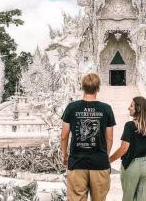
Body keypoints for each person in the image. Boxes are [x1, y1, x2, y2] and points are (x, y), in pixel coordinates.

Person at [60, 73, 116, 201]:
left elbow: (64, 136)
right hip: (100, 163)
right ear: (98, 88)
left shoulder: (71, 107)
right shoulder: (106, 109)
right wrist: (104, 156)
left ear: (82, 87)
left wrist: (64, 156)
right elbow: (110, 139)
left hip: (77, 162)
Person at [109, 96, 146, 201]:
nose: (128, 108)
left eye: (131, 105)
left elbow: (124, 148)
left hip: (132, 166)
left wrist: (108, 160)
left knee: (129, 198)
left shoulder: (130, 125)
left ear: (138, 109)